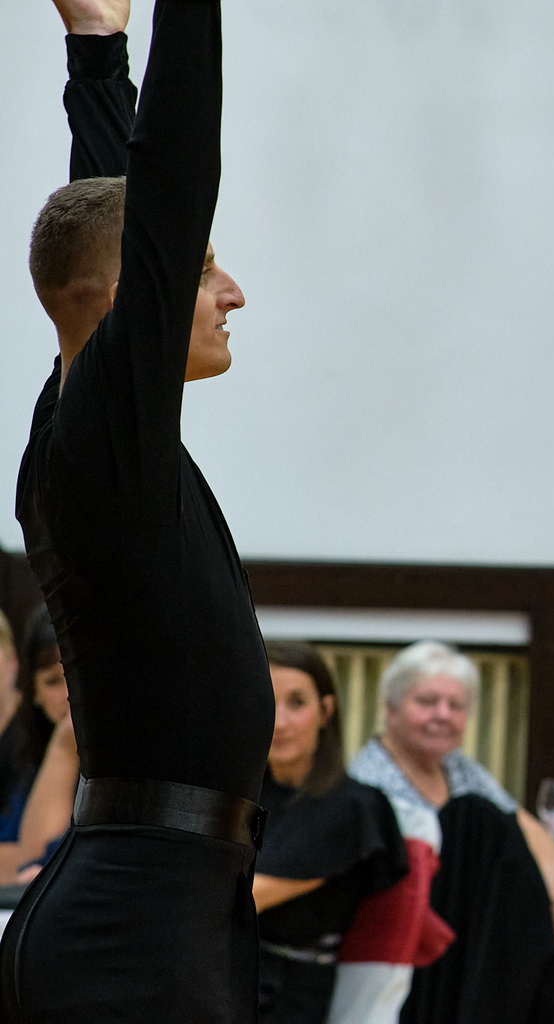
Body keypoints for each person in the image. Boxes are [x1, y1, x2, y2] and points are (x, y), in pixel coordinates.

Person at [2, 0, 273, 1017]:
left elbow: (112, 215)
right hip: (129, 926)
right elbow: (165, 181)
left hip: (165, 907)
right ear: (136, 302)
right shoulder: (91, 446)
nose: (233, 293)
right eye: (202, 269)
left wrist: (97, 49)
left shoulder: (89, 425)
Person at [348, 640, 554, 936]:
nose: (443, 715)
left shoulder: (457, 766)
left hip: (472, 926)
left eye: (456, 706)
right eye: (427, 702)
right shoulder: (368, 780)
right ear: (391, 709)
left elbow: (525, 825)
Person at [255, 640, 409, 1024]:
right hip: (230, 972)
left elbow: (240, 898)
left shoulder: (352, 805)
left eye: (296, 703)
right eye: (266, 701)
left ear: (326, 711)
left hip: (289, 993)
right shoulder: (246, 795)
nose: (280, 722)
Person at [0, 608, 71, 854]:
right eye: (53, 681)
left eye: (77, 678)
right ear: (35, 691)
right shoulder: (29, 757)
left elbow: (36, 855)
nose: (69, 695)